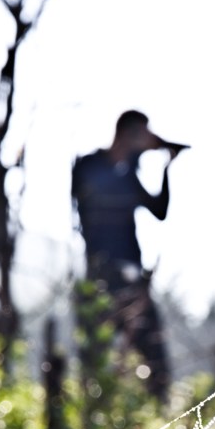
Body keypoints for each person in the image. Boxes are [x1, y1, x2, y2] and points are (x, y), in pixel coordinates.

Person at [71, 110, 187, 398]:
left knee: (154, 355)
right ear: (128, 133)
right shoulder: (90, 166)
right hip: (101, 276)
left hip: (133, 278)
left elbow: (159, 211)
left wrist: (166, 166)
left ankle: (156, 416)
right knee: (95, 354)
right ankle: (92, 413)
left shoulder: (129, 177)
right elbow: (90, 196)